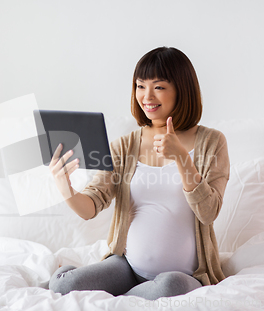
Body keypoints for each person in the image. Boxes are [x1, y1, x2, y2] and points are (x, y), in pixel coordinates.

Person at [48, 46, 229, 300]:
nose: (147, 96)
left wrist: (181, 157)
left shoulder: (212, 142)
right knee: (62, 286)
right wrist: (64, 186)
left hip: (183, 276)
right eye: (140, 86)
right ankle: (127, 292)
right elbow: (91, 207)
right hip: (126, 268)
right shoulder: (124, 146)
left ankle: (122, 297)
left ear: (182, 89)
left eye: (159, 87)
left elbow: (209, 211)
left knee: (170, 288)